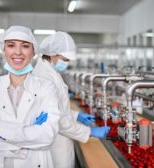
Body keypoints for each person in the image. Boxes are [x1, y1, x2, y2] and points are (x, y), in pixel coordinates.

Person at [0, 26, 61, 168]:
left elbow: (48, 136)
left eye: (25, 46)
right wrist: (29, 133)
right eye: (11, 45)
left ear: (33, 52)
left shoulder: (47, 88)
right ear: (4, 50)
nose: (18, 52)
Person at [33, 31, 110, 168]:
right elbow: (59, 121)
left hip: (59, 141)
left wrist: (76, 115)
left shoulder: (50, 72)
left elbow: (57, 110)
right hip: (54, 146)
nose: (66, 63)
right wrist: (90, 132)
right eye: (65, 59)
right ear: (52, 54)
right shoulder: (44, 77)